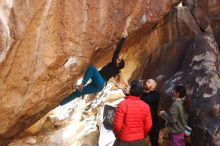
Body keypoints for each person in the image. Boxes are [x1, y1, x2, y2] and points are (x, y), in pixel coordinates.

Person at [60, 31, 127, 106]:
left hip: (100, 81)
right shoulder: (115, 68)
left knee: (92, 68)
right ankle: (61, 103)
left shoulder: (114, 65)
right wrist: (114, 48)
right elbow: (115, 53)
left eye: (119, 59)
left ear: (118, 64)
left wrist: (124, 38)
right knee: (79, 92)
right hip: (98, 87)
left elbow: (116, 52)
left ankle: (82, 84)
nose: (118, 58)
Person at [113, 80, 152, 146]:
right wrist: (142, 134)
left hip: (123, 140)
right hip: (139, 141)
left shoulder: (123, 104)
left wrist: (116, 133)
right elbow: (148, 125)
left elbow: (117, 125)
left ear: (131, 90)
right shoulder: (146, 106)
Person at [141, 79, 160, 146]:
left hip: (153, 123)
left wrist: (133, 93)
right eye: (147, 81)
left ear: (152, 87)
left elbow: (147, 99)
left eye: (148, 82)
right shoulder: (142, 94)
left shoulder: (156, 95)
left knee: (154, 143)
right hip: (142, 122)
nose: (146, 82)